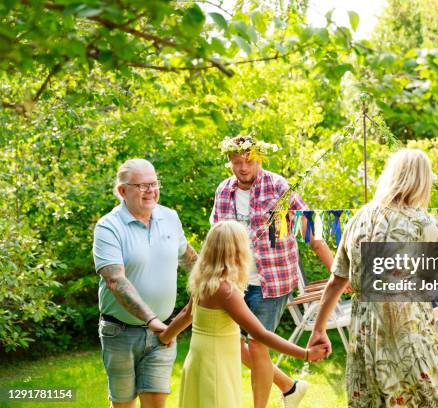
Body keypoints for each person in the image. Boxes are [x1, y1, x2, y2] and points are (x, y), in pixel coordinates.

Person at [306, 148, 438, 407]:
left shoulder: (358, 219)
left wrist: (319, 328)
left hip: (366, 333)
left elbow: (336, 281)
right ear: (422, 181)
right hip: (408, 331)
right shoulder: (424, 224)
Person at [210, 135, 335, 408]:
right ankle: (290, 387)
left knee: (257, 346)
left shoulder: (278, 187)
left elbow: (311, 230)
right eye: (237, 162)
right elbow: (216, 237)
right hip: (234, 284)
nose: (243, 168)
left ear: (259, 159)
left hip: (271, 283)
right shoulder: (223, 191)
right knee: (229, 341)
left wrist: (337, 272)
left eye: (249, 161)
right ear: (229, 162)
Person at [159, 221, 328, 408]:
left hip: (200, 359)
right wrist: (304, 354)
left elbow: (186, 313)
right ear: (237, 252)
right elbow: (260, 334)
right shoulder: (226, 291)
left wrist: (165, 336)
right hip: (216, 364)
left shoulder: (204, 281)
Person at [93, 159, 198, 408]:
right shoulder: (108, 227)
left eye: (153, 183)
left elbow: (191, 260)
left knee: (156, 404)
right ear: (122, 191)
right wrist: (152, 320)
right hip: (119, 332)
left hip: (162, 335)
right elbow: (115, 280)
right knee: (124, 404)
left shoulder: (170, 217)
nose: (150, 190)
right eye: (141, 185)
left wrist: (218, 278)